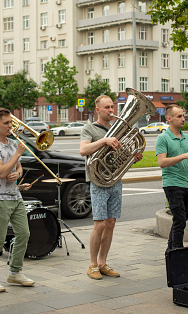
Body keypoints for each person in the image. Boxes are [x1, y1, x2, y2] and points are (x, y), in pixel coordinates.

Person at [79, 95, 142, 280]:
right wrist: (104, 141)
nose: (111, 111)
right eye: (107, 107)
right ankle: (92, 265)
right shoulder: (89, 128)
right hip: (98, 182)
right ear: (97, 109)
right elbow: (83, 150)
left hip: (115, 181)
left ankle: (102, 263)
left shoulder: (119, 129)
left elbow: (120, 154)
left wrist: (132, 157)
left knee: (111, 224)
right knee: (99, 224)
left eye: (112, 107)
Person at [0, 107, 35, 292]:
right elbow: (2, 172)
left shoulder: (13, 143)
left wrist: (18, 176)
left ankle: (15, 272)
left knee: (24, 233)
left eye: (11, 122)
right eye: (6, 123)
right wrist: (17, 155)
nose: (10, 126)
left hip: (14, 195)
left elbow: (17, 170)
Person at [155, 104, 188, 253]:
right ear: (169, 119)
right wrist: (185, 155)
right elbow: (162, 162)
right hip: (172, 183)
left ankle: (170, 251)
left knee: (181, 220)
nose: (183, 119)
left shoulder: (187, 138)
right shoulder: (163, 138)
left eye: (183, 116)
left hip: (186, 183)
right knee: (180, 219)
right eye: (179, 116)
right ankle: (178, 250)